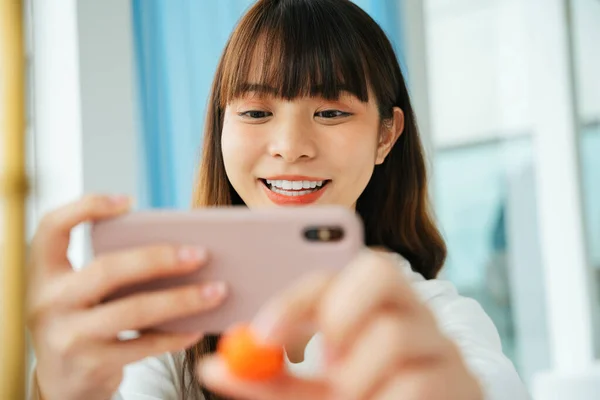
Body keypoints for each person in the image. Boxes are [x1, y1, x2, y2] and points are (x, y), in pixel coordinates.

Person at [26, 0, 530, 399]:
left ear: (386, 136)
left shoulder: (438, 324)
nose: (290, 146)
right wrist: (61, 391)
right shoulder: (167, 322)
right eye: (256, 112)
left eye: (331, 112)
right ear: (220, 127)